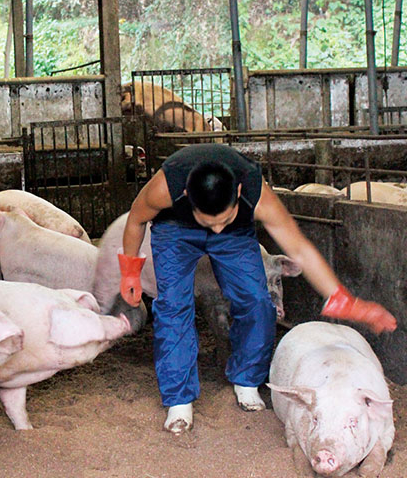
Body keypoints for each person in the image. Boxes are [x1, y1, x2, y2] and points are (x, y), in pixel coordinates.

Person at [118, 143, 397, 435]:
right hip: (176, 229)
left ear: (238, 193)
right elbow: (136, 220)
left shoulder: (256, 192)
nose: (214, 230)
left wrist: (343, 299)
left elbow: (298, 247)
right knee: (173, 306)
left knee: (256, 299)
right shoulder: (165, 187)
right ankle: (178, 401)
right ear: (187, 196)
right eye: (208, 223)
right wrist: (130, 273)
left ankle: (247, 380)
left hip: (235, 233)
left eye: (220, 220)